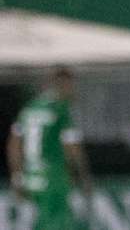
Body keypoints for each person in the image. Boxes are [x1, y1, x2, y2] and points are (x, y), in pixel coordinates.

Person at [6, 67, 93, 230]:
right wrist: (83, 177)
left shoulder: (29, 108)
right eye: (71, 86)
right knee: (59, 224)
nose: (73, 91)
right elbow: (72, 147)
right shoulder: (60, 109)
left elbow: (13, 145)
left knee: (40, 223)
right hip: (54, 178)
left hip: (32, 178)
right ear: (64, 85)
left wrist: (17, 177)